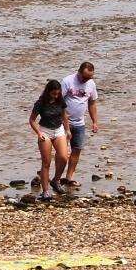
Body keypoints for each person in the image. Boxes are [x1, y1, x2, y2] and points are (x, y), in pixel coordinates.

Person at [59, 62, 101, 191]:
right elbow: (58, 100)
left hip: (80, 123)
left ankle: (69, 177)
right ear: (79, 72)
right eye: (85, 77)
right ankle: (56, 178)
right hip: (64, 123)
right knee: (62, 154)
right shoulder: (67, 81)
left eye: (90, 77)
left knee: (76, 150)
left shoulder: (91, 84)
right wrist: (63, 120)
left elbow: (92, 103)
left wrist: (94, 122)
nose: (87, 80)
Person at [28, 79, 70, 199]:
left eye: (58, 93)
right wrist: (38, 132)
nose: (56, 95)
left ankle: (56, 181)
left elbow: (64, 116)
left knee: (63, 157)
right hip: (45, 131)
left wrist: (67, 130)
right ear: (48, 92)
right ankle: (45, 191)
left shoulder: (60, 100)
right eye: (54, 94)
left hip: (58, 130)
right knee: (46, 162)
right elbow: (32, 120)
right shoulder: (40, 103)